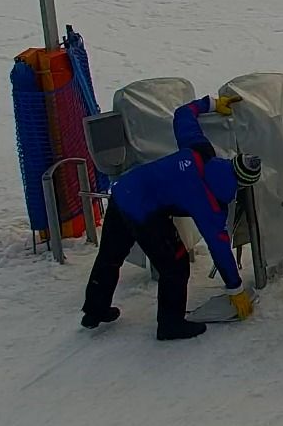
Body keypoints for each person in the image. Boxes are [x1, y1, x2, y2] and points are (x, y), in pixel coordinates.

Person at [81, 95, 261, 340]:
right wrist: (235, 289)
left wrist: (211, 103)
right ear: (241, 184)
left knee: (110, 256)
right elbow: (219, 247)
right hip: (146, 213)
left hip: (124, 191)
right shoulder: (209, 203)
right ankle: (171, 324)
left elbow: (183, 115)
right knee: (175, 265)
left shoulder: (201, 151)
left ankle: (94, 310)